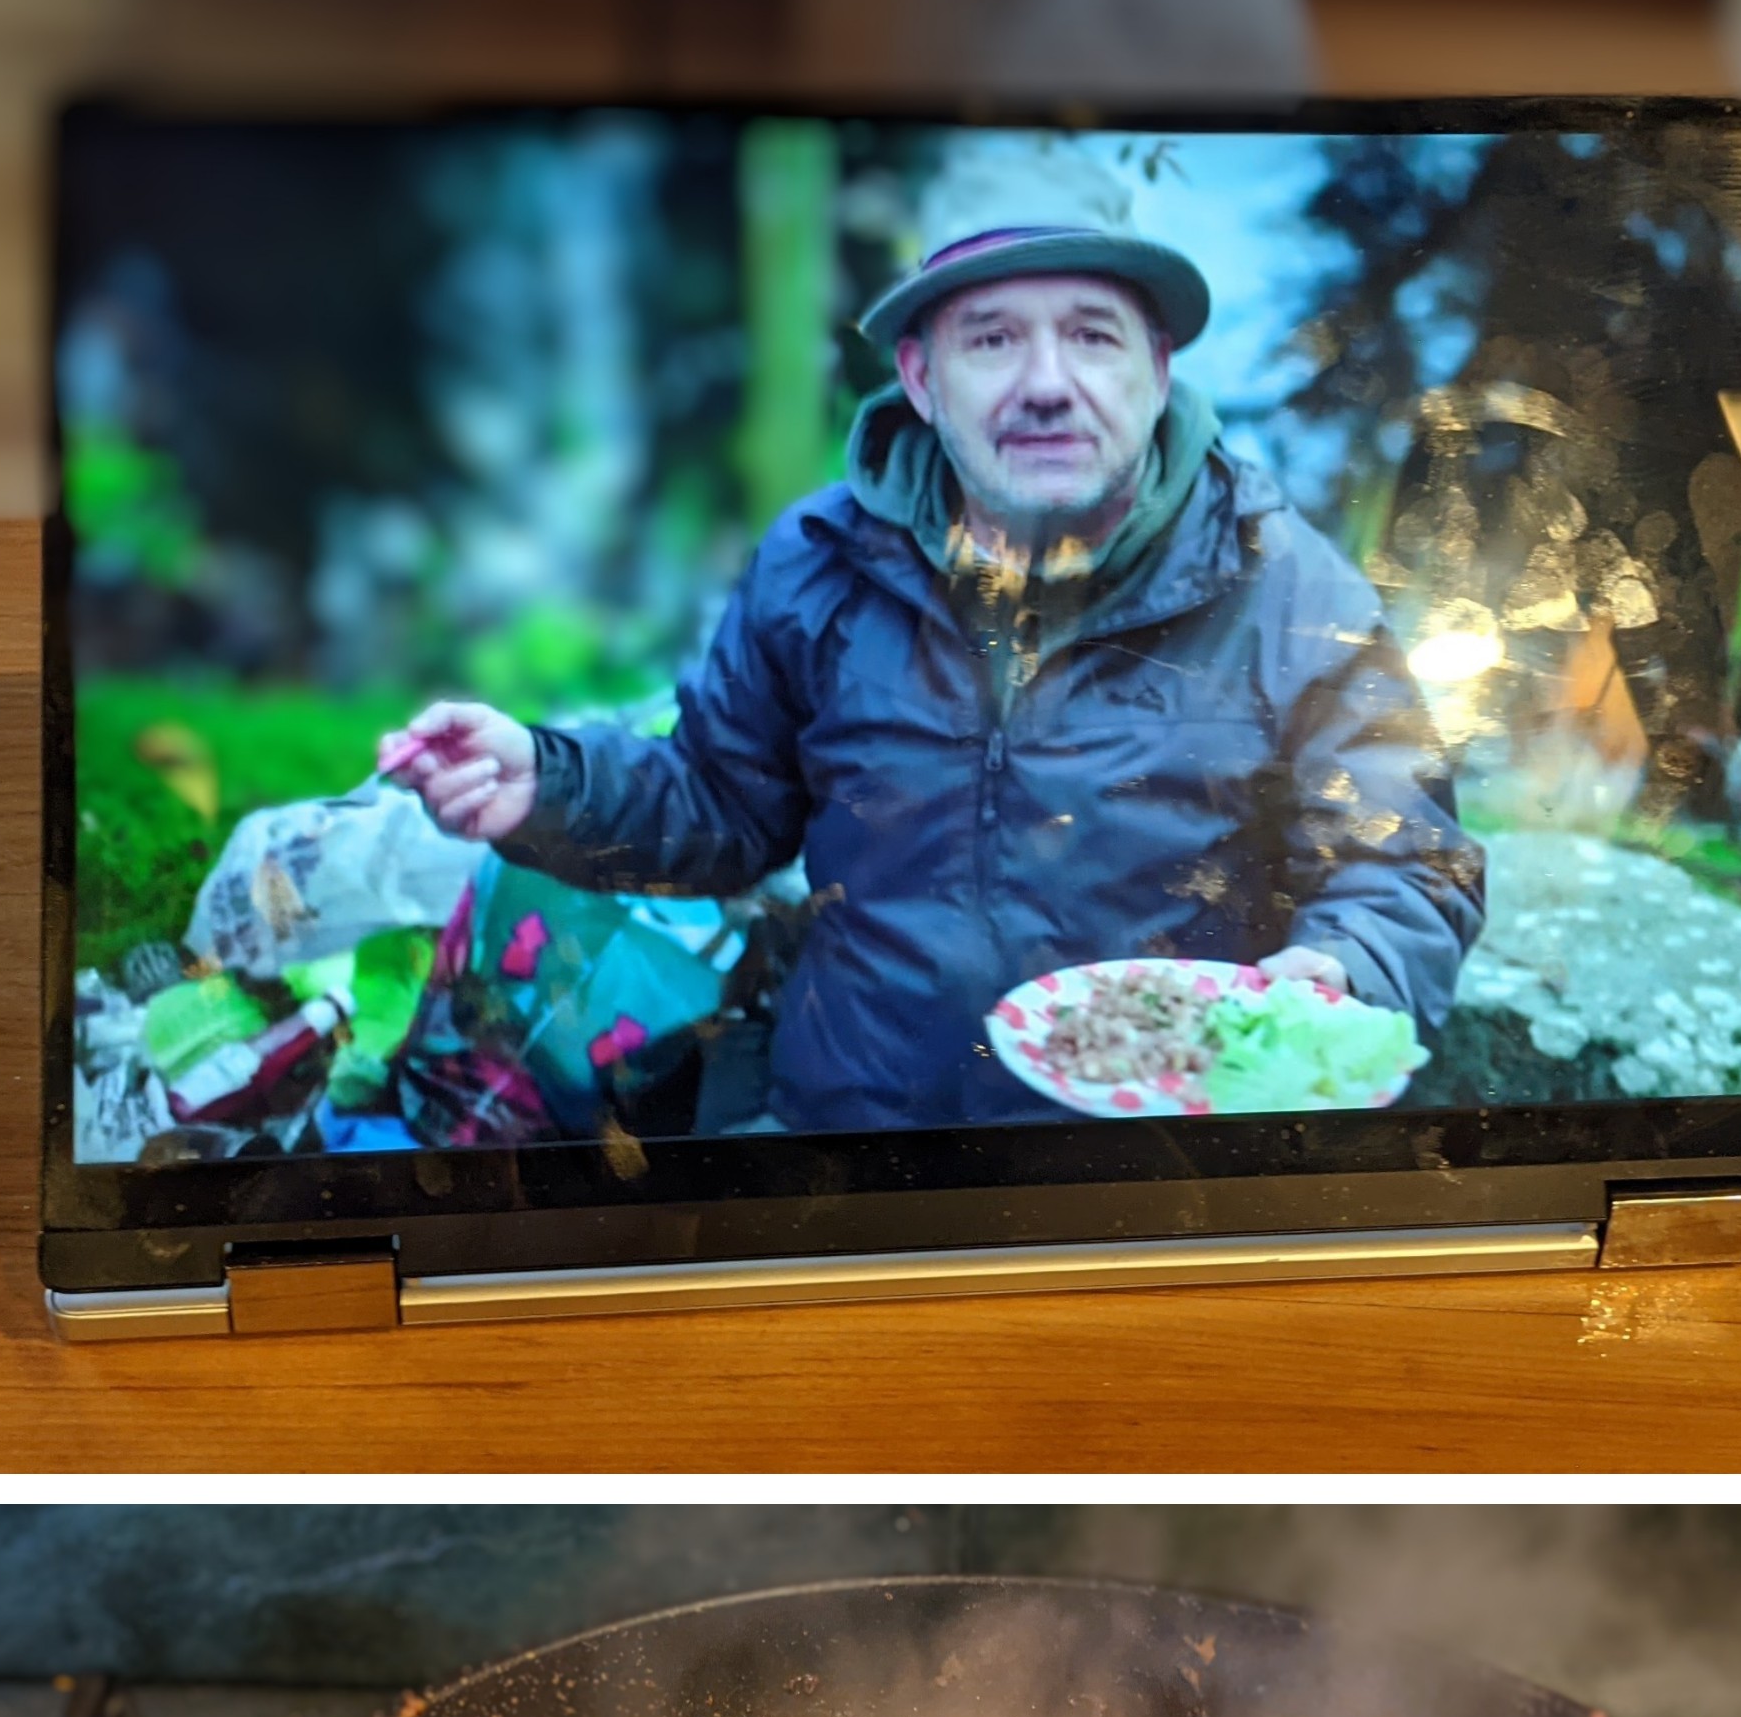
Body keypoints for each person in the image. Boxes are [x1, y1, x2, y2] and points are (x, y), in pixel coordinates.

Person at [381, 147, 1485, 1134]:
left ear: (1154, 371)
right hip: (850, 1146)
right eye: (992, 339)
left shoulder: (1285, 587)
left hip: (1151, 1175)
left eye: (1090, 337)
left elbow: (1408, 866)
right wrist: (547, 785)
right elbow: (724, 807)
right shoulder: (816, 561)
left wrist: (1335, 974)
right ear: (919, 377)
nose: (1045, 385)